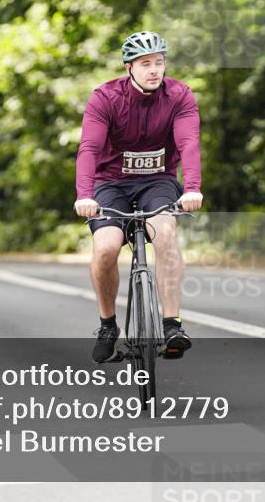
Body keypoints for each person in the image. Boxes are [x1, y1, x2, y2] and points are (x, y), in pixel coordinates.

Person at [75, 30, 203, 363]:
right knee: (105, 247)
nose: (154, 70)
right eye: (146, 64)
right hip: (110, 183)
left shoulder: (179, 97)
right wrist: (84, 194)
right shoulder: (105, 98)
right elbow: (89, 148)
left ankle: (172, 325)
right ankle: (107, 325)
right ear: (129, 66)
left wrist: (192, 188)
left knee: (166, 234)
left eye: (159, 63)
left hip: (157, 181)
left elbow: (189, 144)